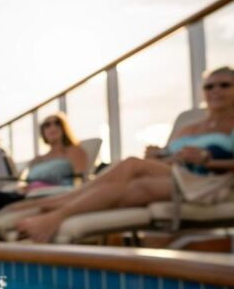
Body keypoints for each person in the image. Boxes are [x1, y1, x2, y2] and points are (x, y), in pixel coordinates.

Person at [15, 66, 234, 242]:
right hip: (174, 175)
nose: (215, 91)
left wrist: (209, 160)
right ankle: (58, 209)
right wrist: (158, 155)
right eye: (209, 86)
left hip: (209, 181)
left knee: (130, 166)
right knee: (130, 187)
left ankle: (58, 210)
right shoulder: (189, 127)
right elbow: (167, 159)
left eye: (224, 85)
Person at [0, 111, 88, 213]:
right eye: (47, 125)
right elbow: (21, 180)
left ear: (64, 128)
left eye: (57, 123)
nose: (52, 127)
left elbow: (79, 180)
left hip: (51, 195)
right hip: (29, 194)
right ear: (43, 132)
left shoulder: (74, 151)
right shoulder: (39, 159)